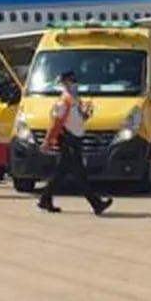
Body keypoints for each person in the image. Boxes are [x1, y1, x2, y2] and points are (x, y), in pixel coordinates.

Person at [38, 71, 112, 215]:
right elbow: (56, 123)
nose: (75, 84)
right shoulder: (64, 100)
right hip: (68, 140)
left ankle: (45, 199)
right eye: (72, 81)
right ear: (65, 82)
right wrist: (48, 141)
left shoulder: (75, 99)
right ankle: (96, 204)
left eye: (75, 81)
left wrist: (86, 114)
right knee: (79, 174)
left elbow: (78, 118)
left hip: (75, 139)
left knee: (61, 173)